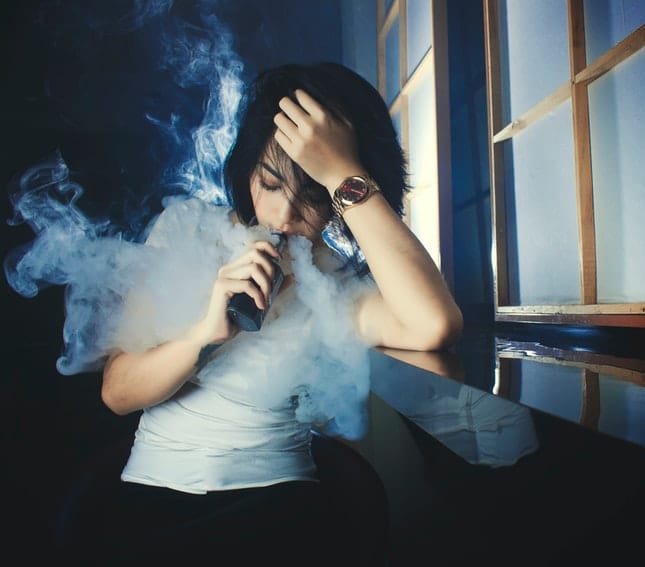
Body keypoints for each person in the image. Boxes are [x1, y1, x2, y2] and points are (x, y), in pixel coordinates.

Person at [58, 61, 463, 563]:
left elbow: (434, 326)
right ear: (247, 166)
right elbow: (118, 394)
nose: (284, 216)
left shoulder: (337, 282)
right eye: (271, 183)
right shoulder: (184, 228)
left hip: (276, 510)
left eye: (314, 197)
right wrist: (203, 335)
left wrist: (343, 171)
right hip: (149, 503)